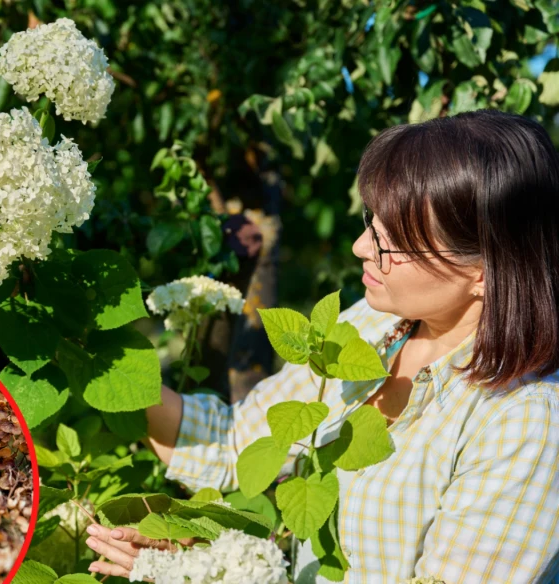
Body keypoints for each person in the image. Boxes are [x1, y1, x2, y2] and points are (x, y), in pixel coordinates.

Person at [85, 110, 559, 582]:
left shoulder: (526, 423)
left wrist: (204, 578)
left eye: (393, 242)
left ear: (484, 271)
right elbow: (235, 442)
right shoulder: (375, 322)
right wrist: (95, 356)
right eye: (372, 221)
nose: (360, 247)